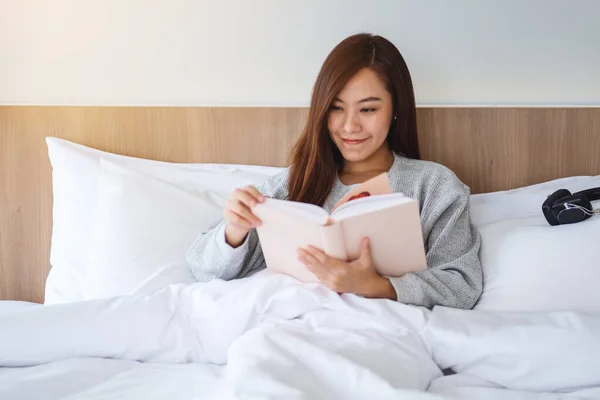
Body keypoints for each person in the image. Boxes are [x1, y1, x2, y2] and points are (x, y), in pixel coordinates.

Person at [186, 33, 483, 310]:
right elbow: (202, 267)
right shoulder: (295, 183)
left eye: (367, 110)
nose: (349, 126)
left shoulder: (435, 186)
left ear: (395, 109)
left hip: (380, 334)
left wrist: (377, 286)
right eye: (336, 108)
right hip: (293, 325)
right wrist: (234, 231)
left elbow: (461, 286)